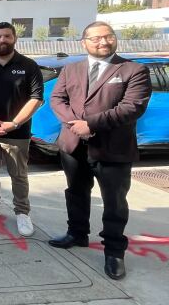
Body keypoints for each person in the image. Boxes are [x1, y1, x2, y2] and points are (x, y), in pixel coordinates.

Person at [49, 21, 151, 280]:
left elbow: (131, 108)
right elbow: (57, 99)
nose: (103, 42)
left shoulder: (133, 69)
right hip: (73, 146)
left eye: (108, 37)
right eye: (96, 38)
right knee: (76, 192)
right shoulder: (71, 69)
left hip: (113, 149)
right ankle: (77, 233)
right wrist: (75, 125)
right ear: (84, 42)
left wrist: (90, 124)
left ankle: (114, 252)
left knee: (114, 202)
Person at [0, 22, 43, 237]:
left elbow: (36, 99)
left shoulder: (29, 66)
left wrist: (14, 123)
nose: (2, 40)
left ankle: (22, 212)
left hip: (17, 133)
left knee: (18, 175)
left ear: (14, 39)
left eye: (7, 36)